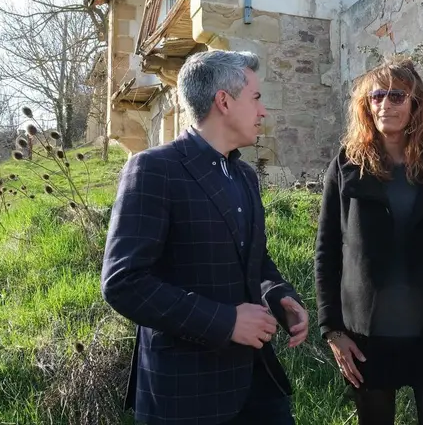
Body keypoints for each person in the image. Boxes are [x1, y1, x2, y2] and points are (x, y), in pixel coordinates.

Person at [101, 50, 309, 425]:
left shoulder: (243, 175)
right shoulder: (154, 169)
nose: (263, 112)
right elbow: (124, 283)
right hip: (185, 394)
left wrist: (279, 294)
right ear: (224, 102)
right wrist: (225, 321)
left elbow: (254, 260)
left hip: (257, 385)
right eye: (256, 98)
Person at [314, 58, 423, 425]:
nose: (385, 105)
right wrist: (333, 330)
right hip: (367, 333)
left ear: (415, 103)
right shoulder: (346, 164)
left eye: (397, 96)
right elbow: (327, 252)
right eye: (377, 96)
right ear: (366, 105)